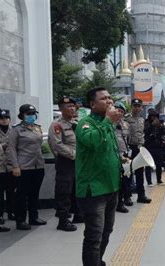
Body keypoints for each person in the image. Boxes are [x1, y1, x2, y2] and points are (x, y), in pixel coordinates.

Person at [75, 87, 122, 266]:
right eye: (104, 99)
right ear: (92, 104)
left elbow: (110, 150)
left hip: (111, 187)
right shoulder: (85, 123)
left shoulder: (107, 123)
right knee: (94, 236)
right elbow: (93, 142)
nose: (109, 101)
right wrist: (108, 121)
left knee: (106, 231)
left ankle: (97, 262)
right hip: (93, 190)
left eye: (110, 97)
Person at [9, 104, 46, 230]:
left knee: (34, 193)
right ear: (22, 115)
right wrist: (15, 166)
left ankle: (33, 217)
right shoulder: (16, 129)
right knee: (21, 194)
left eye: (33, 113)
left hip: (38, 165)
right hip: (23, 166)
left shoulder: (37, 128)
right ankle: (20, 220)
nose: (31, 116)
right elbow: (11, 149)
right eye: (28, 114)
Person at [48, 96, 82, 232]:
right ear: (61, 109)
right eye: (69, 106)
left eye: (73, 106)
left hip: (79, 161)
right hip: (66, 161)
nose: (72, 108)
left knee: (77, 188)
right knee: (64, 190)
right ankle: (63, 220)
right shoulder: (56, 125)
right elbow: (56, 144)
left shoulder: (77, 123)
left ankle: (78, 215)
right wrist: (73, 154)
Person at [125, 99, 151, 204]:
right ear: (132, 107)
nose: (137, 108)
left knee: (140, 172)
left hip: (139, 148)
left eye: (139, 106)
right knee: (128, 173)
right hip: (129, 148)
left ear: (141, 108)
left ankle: (141, 195)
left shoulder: (141, 120)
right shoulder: (126, 119)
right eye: (135, 106)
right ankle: (127, 197)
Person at [114, 102, 132, 214]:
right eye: (118, 110)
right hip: (114, 154)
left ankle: (125, 198)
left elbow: (128, 138)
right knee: (117, 180)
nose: (119, 113)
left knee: (127, 178)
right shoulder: (108, 124)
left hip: (125, 154)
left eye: (122, 111)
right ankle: (118, 203)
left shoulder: (126, 125)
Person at [144, 109, 165, 187]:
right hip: (149, 147)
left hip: (158, 147)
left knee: (159, 164)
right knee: (148, 165)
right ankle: (149, 182)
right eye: (152, 116)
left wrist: (160, 126)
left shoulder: (160, 123)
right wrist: (152, 125)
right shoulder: (146, 122)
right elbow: (145, 132)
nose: (153, 118)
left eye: (155, 116)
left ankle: (159, 180)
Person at [0, 108, 13, 232]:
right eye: (2, 118)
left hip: (10, 167)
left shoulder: (12, 130)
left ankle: (11, 212)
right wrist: (1, 146)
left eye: (6, 118)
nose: (4, 120)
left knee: (11, 191)